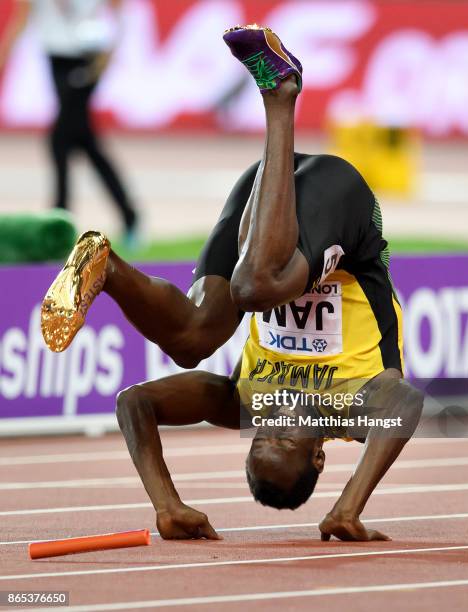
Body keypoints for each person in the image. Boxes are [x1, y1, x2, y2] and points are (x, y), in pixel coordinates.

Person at [40, 25, 423, 542]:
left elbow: (136, 402)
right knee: (255, 288)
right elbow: (407, 402)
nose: (271, 421)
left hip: (266, 199)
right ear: (318, 451)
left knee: (192, 339)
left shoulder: (248, 403)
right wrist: (347, 507)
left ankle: (106, 266)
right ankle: (280, 94)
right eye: (282, 438)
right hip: (341, 205)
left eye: (258, 436)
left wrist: (166, 503)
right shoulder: (354, 407)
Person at [0, 0, 138, 241]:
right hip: (56, 60)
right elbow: (21, 19)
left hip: (87, 57)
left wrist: (111, 51)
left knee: (59, 139)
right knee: (85, 141)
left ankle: (59, 221)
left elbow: (120, 13)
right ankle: (129, 216)